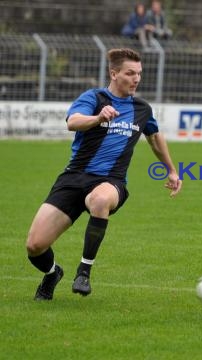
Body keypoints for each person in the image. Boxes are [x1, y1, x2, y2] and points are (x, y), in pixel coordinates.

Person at [26, 48, 182, 301]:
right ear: (114, 73)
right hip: (73, 178)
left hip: (112, 182)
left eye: (139, 74)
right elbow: (73, 121)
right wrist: (98, 117)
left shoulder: (142, 109)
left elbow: (154, 136)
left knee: (99, 200)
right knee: (35, 247)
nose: (136, 79)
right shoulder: (94, 97)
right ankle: (53, 273)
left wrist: (172, 171)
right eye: (130, 73)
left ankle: (84, 272)